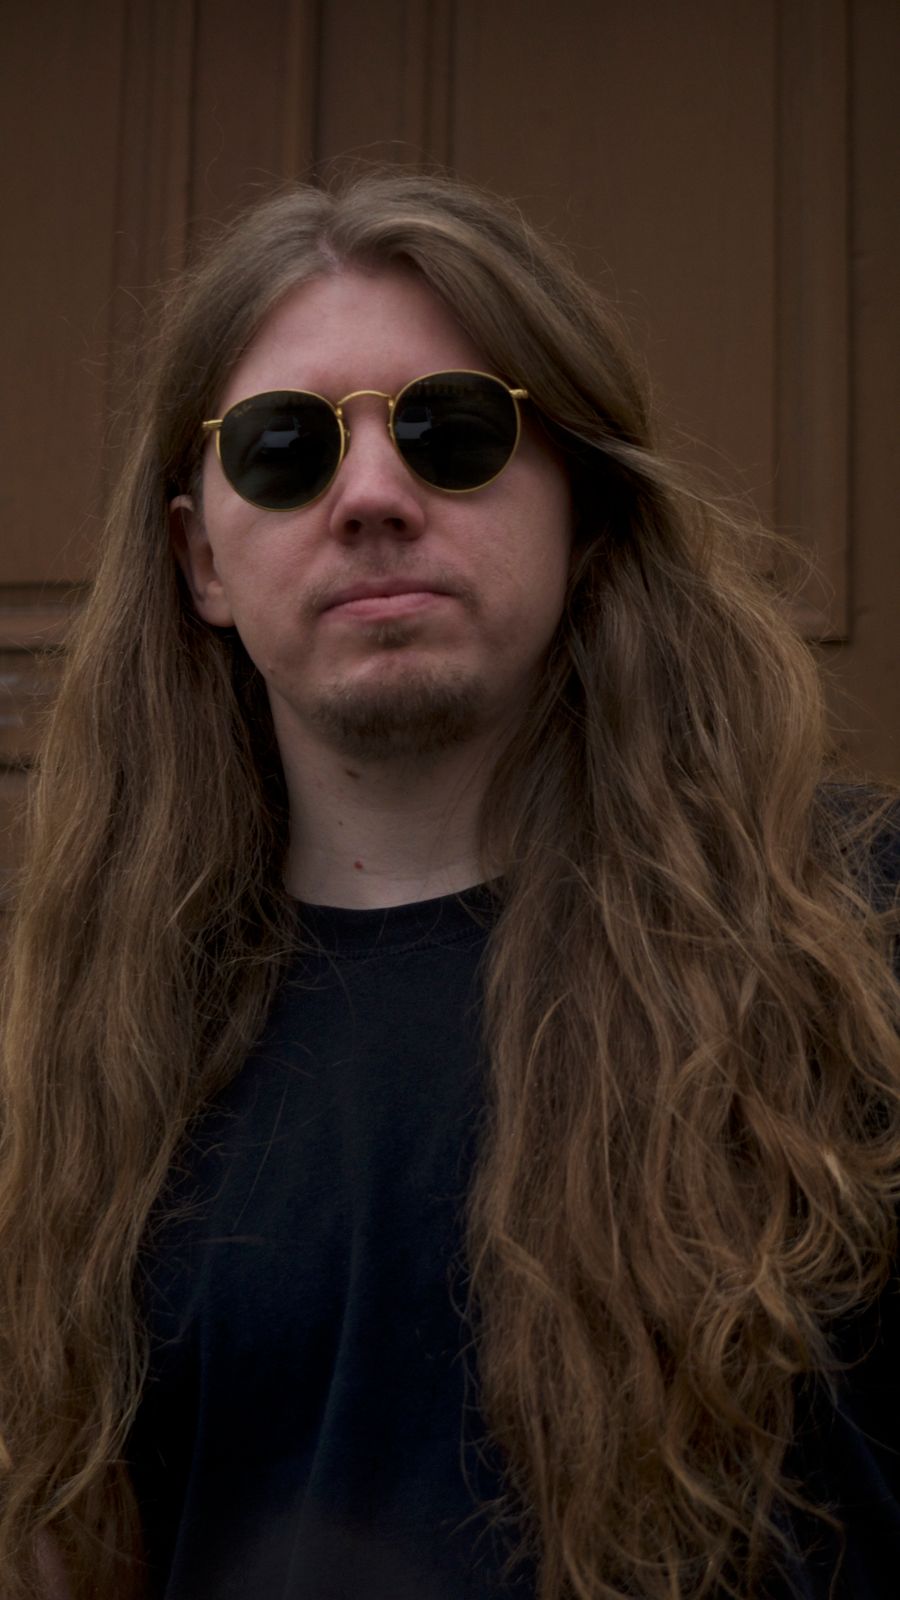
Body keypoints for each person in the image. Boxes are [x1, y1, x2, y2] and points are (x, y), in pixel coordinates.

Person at [1, 172, 899, 1600]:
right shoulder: (92, 1048)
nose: (371, 497)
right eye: (285, 447)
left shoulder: (858, 939)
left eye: (455, 430)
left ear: (583, 507)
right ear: (200, 559)